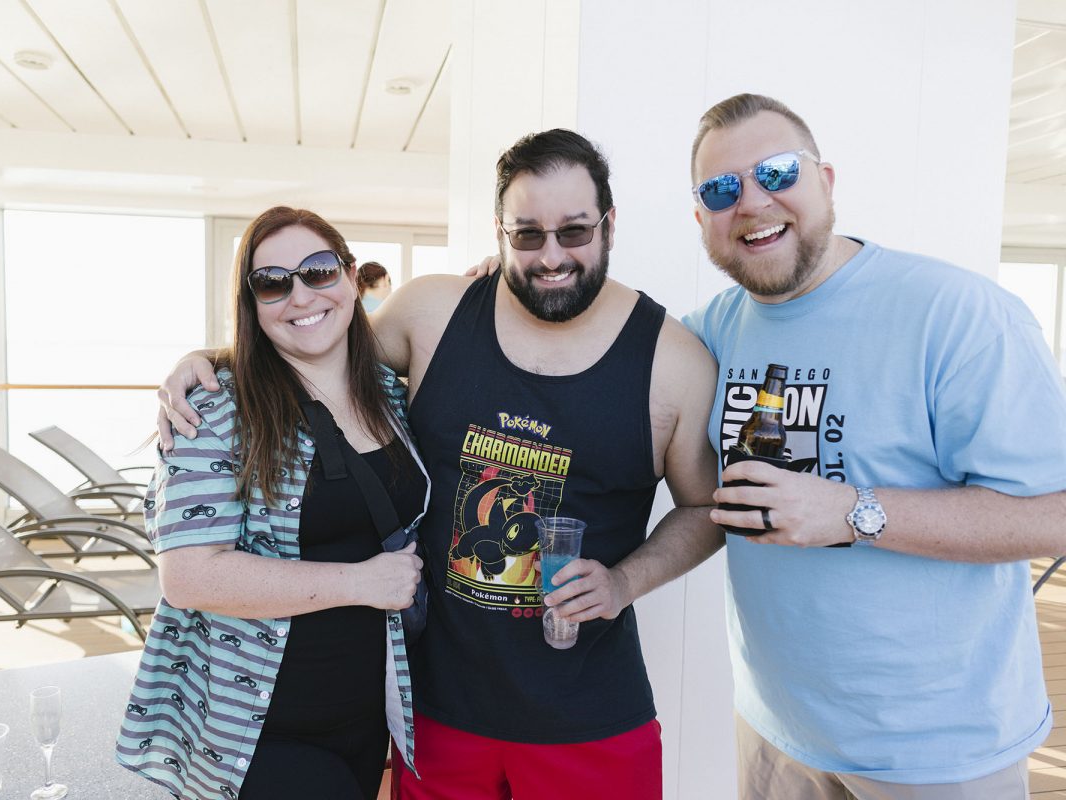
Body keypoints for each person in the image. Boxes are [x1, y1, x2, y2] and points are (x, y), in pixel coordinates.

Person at [157, 130, 724, 799]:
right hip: (433, 712)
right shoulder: (432, 312)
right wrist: (210, 360)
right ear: (499, 231)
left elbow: (704, 508)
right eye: (527, 235)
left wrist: (625, 582)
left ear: (609, 224)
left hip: (590, 717)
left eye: (574, 231)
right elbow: (316, 344)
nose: (551, 257)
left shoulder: (674, 362)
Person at [687, 93, 1066, 798]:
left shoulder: (957, 314)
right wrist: (499, 294)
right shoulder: (711, 329)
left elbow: (1055, 514)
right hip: (775, 733)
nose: (752, 201)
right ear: (701, 217)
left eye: (776, 172)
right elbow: (607, 351)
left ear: (826, 181)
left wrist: (852, 511)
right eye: (720, 190)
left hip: (940, 753)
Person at [116, 206, 430, 800]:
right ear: (252, 303)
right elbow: (187, 576)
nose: (300, 295)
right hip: (258, 728)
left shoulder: (390, 394)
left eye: (318, 271)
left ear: (350, 276)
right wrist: (361, 582)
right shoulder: (216, 410)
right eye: (272, 282)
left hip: (368, 714)